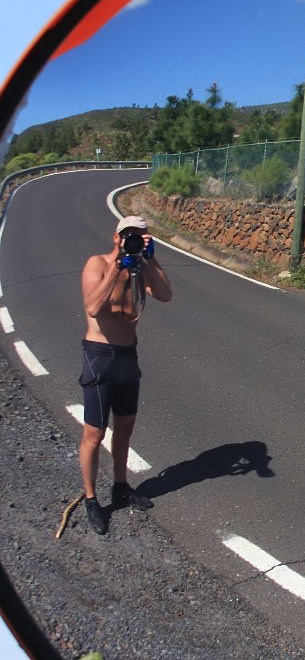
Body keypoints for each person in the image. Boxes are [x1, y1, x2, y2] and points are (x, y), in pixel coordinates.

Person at [78, 215, 172, 534]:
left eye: (140, 236)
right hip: (99, 355)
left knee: (126, 425)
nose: (133, 240)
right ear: (116, 237)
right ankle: (91, 500)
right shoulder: (99, 265)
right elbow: (92, 307)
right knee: (94, 433)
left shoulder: (142, 268)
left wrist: (151, 259)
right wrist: (118, 266)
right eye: (128, 235)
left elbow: (165, 294)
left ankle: (120, 485)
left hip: (128, 355)